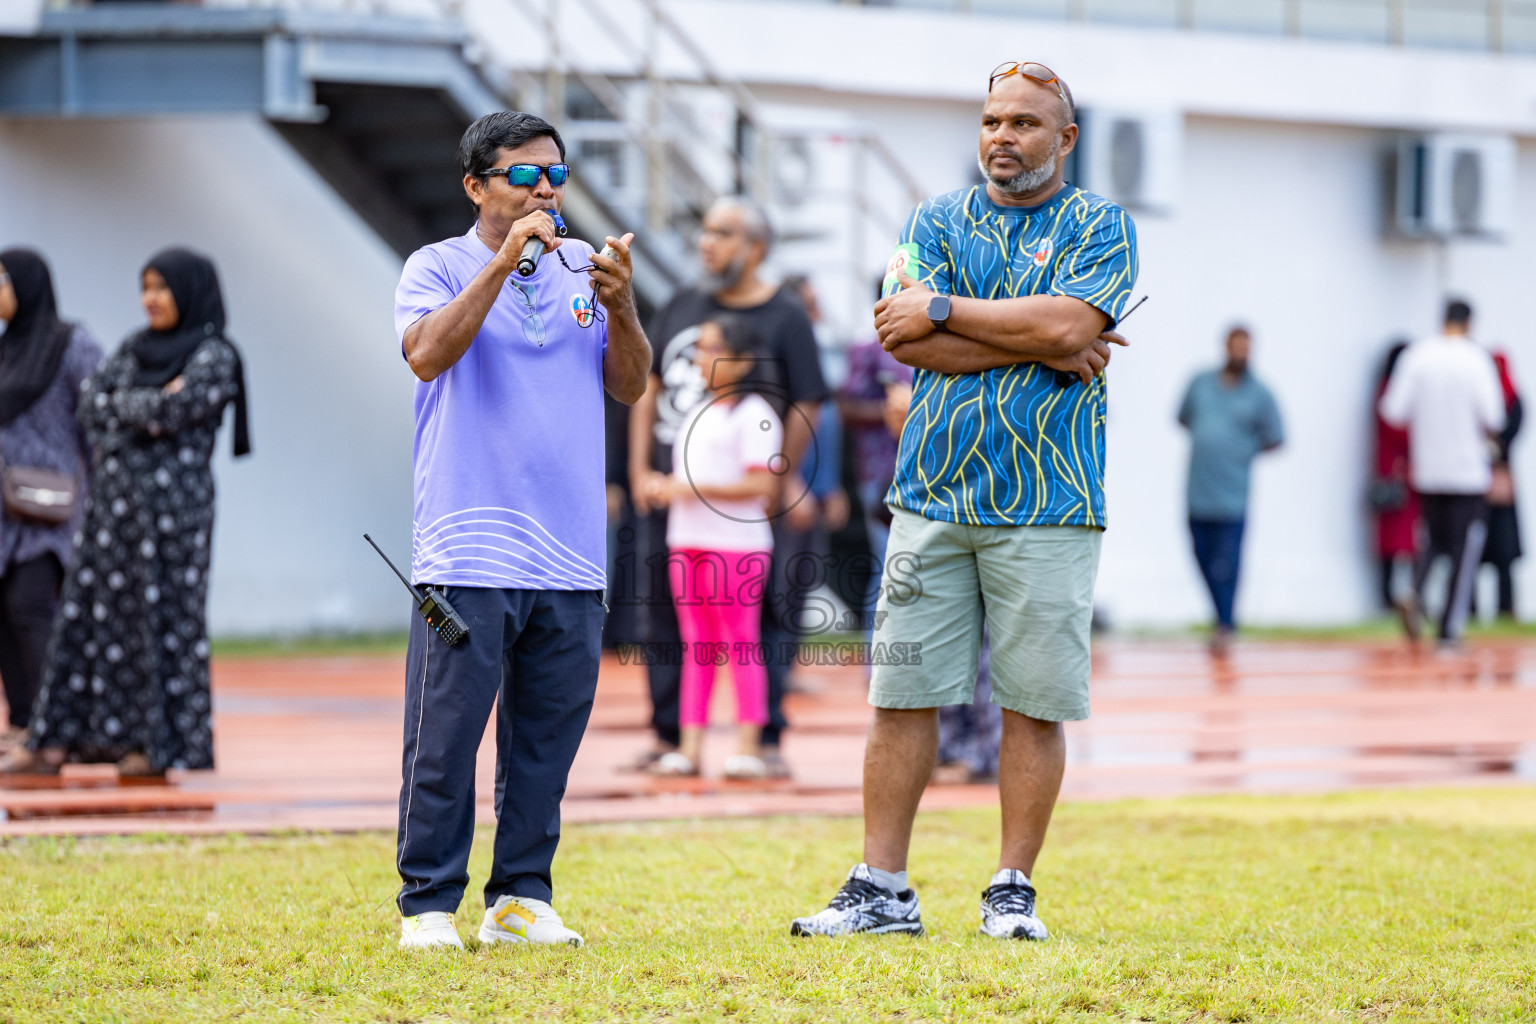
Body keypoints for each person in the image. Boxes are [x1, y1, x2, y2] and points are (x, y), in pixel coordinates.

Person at [790, 60, 1137, 940]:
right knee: (901, 691)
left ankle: (1011, 888)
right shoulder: (934, 219)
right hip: (930, 493)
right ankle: (882, 891)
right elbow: (907, 342)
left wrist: (954, 309)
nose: (1001, 138)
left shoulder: (1103, 224)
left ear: (1064, 139)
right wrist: (1041, 338)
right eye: (991, 122)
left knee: (1033, 701)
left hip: (1050, 501)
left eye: (1023, 123)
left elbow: (1065, 326)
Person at [391, 111, 650, 951]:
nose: (546, 189)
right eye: (525, 175)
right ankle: (429, 904)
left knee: (546, 738)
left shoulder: (584, 267)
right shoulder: (436, 265)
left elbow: (629, 385)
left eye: (556, 174)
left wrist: (626, 307)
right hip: (468, 548)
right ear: (476, 186)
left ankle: (521, 898)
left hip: (570, 550)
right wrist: (505, 263)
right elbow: (428, 354)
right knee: (447, 736)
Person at [5, 248, 250, 777]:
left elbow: (177, 411)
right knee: (89, 620)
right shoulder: (136, 348)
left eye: (162, 288)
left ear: (189, 291)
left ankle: (152, 748)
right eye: (146, 288)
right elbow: (91, 403)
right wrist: (147, 403)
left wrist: (132, 406)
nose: (151, 300)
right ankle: (60, 743)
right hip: (111, 513)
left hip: (174, 519)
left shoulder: (215, 355)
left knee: (160, 623)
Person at [627, 196, 827, 779]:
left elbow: (807, 399)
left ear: (756, 247)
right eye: (705, 231)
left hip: (742, 505)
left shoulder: (785, 315)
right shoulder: (682, 303)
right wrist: (640, 471)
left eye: (722, 233)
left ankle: (760, 738)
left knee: (759, 625)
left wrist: (781, 478)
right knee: (664, 622)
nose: (706, 243)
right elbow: (649, 382)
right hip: (675, 495)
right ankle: (674, 739)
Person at [639, 315, 780, 779]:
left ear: (740, 361)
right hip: (689, 540)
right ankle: (690, 746)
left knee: (741, 642)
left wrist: (685, 489)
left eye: (711, 348)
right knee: (696, 644)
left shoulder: (757, 413)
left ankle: (748, 747)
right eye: (699, 348)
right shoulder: (699, 411)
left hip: (736, 545)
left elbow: (761, 483)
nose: (700, 357)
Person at [0, 249, 102, 752]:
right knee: (5, 611)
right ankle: (23, 723)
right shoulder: (4, 350)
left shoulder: (71, 344)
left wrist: (101, 492)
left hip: (50, 510)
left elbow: (98, 420)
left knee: (31, 607)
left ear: (27, 283)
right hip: (3, 511)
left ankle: (51, 734)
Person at [1379, 299, 1505, 646]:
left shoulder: (1417, 356)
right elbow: (1494, 415)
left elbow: (1393, 410)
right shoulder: (1476, 360)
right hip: (1466, 470)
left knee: (1431, 541)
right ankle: (1449, 628)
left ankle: (1415, 591)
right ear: (1469, 323)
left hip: (1429, 467)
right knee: (1464, 549)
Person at [1175, 326, 1285, 649]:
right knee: (1200, 553)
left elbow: (1276, 437)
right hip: (1198, 490)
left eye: (1246, 348)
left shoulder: (1260, 393)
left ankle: (1226, 622)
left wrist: (1243, 449)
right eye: (1236, 346)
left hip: (1234, 493)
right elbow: (1183, 418)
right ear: (1225, 346)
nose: (1240, 353)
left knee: (1229, 560)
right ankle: (1221, 617)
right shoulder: (1200, 383)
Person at [1370, 341, 1418, 610]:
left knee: (1408, 542)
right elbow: (1397, 427)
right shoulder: (1390, 392)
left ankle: (1410, 597)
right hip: (1394, 477)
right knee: (1392, 543)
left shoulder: (1389, 390)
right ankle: (1388, 598)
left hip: (1401, 476)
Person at [1480, 350, 1521, 618]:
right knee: (1473, 548)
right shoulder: (1480, 395)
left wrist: (1498, 461)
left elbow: (1509, 431)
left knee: (1504, 550)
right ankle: (1469, 609)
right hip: (1477, 479)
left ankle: (1506, 608)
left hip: (1502, 477)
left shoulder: (1513, 400)